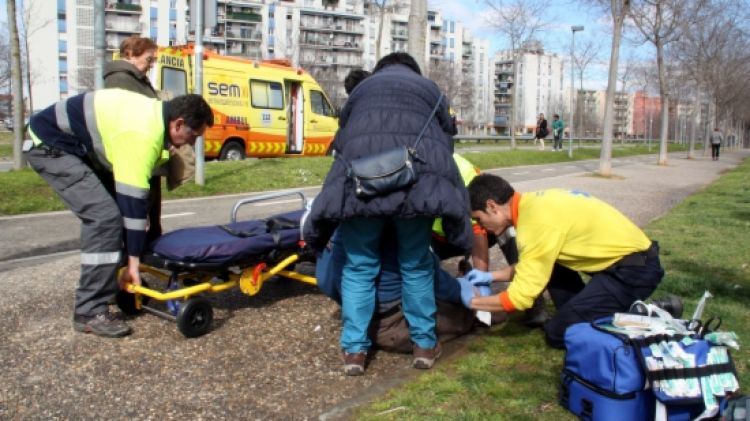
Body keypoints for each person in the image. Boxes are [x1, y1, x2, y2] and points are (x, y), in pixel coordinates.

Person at [303, 52, 473, 375]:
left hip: (362, 185)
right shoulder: (429, 89)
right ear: (413, 69)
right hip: (415, 185)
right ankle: (424, 345)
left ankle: (354, 352)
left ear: (380, 69)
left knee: (359, 265)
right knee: (416, 263)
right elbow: (447, 135)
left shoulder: (362, 90)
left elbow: (343, 134)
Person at [24, 90, 213, 338]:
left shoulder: (154, 119)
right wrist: (134, 262)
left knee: (112, 210)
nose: (192, 143)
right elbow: (133, 208)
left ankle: (111, 284)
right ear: (178, 124)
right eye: (193, 135)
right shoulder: (142, 135)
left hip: (70, 143)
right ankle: (89, 310)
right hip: (49, 144)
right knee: (104, 217)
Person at [463, 174, 664, 349]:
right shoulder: (534, 203)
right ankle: (588, 311)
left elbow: (520, 298)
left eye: (479, 219)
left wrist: (471, 302)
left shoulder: (534, 224)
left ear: (492, 206)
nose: (482, 226)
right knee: (555, 272)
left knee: (558, 333)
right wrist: (490, 276)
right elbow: (533, 264)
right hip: (626, 262)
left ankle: (647, 319)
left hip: (633, 273)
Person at [315, 228, 481, 362]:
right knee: (465, 311)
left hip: (360, 325)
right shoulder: (401, 228)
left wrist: (350, 306)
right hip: (396, 325)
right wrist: (464, 291)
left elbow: (325, 281)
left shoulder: (337, 232)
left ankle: (354, 352)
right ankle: (425, 345)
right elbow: (432, 278)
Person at [104, 36, 167, 245]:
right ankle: (133, 260)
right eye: (149, 59)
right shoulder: (121, 79)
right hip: (135, 156)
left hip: (147, 156)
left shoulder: (136, 78)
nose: (150, 65)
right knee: (137, 211)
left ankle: (142, 254)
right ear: (130, 54)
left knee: (149, 212)